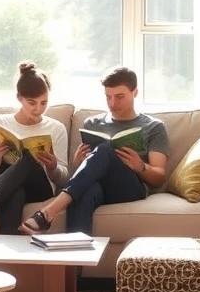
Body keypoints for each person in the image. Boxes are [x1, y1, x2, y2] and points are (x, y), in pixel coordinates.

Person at [20, 66, 169, 236]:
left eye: (119, 97)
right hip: (97, 186)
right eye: (108, 97)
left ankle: (48, 213)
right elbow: (84, 174)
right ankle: (76, 260)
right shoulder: (92, 124)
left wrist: (140, 166)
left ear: (135, 92)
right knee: (84, 191)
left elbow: (159, 178)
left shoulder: (153, 126)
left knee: (105, 149)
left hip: (129, 188)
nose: (113, 104)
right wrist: (78, 163)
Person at [0, 61, 69, 234]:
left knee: (28, 159)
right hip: (10, 185)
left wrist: (53, 167)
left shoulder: (57, 128)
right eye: (32, 103)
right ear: (19, 98)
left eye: (43, 103)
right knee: (14, 190)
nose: (38, 109)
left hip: (40, 188)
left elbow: (63, 180)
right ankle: (11, 254)